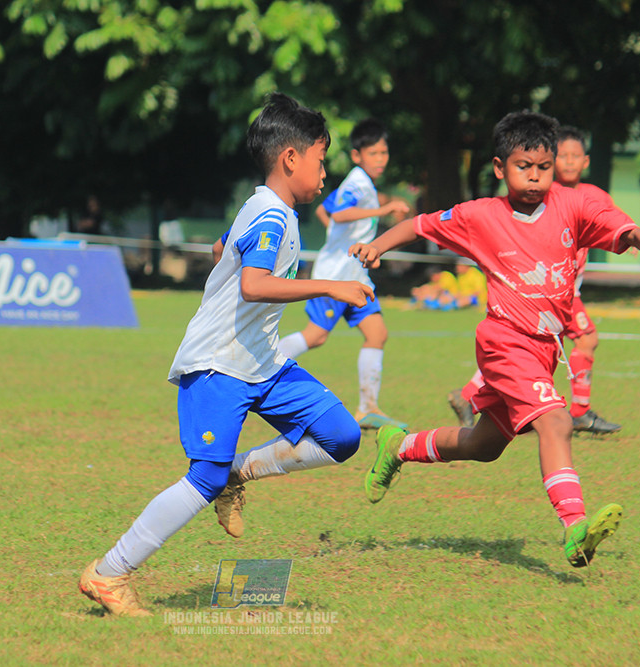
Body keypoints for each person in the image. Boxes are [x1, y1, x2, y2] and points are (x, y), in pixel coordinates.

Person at [352, 111, 640, 567]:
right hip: (504, 343)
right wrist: (377, 246)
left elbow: (628, 232)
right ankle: (574, 528)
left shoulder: (574, 205)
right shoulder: (481, 216)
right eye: (523, 167)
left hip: (543, 350)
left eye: (543, 168)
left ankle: (399, 446)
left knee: (483, 446)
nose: (534, 177)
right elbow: (420, 225)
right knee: (556, 422)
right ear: (499, 168)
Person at [79, 93, 372, 617]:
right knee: (202, 478)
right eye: (321, 159)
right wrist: (332, 286)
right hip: (218, 364)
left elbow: (223, 251)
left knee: (343, 436)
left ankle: (240, 473)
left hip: (263, 361)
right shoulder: (272, 218)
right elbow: (255, 285)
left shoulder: (265, 206)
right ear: (290, 158)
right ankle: (110, 572)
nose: (326, 172)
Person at [447, 127, 623, 434]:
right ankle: (579, 412)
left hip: (564, 290)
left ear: (586, 161)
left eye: (574, 156)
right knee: (582, 339)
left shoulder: (591, 196)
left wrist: (630, 241)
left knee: (525, 354)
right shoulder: (538, 195)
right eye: (562, 156)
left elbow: (615, 224)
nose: (568, 162)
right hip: (543, 291)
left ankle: (468, 397)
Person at [276, 118, 410, 431]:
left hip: (356, 276)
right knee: (316, 336)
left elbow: (325, 212)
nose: (381, 159)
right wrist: (382, 211)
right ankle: (261, 366)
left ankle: (367, 408)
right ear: (356, 155)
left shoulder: (361, 182)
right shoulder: (358, 183)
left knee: (377, 333)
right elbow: (337, 213)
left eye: (383, 153)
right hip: (336, 277)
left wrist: (342, 241)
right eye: (373, 153)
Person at [410, 262, 486, 310]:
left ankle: (437, 306)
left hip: (476, 299)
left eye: (459, 266)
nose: (457, 268)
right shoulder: (461, 276)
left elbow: (478, 291)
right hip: (459, 295)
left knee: (457, 299)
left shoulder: (476, 275)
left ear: (466, 266)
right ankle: (432, 305)